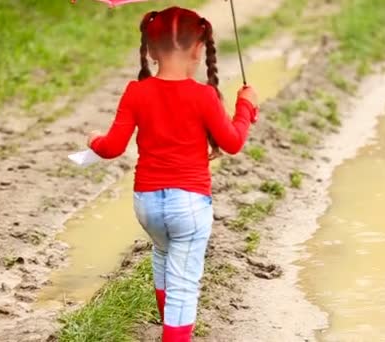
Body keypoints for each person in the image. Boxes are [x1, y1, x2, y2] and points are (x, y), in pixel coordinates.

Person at [87, 6, 258, 342]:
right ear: (199, 49)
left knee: (163, 252)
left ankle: (169, 326)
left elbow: (112, 147)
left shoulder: (137, 92)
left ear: (150, 50)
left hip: (147, 206)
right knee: (184, 284)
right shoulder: (204, 96)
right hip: (190, 207)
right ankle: (175, 335)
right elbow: (233, 142)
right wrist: (246, 107)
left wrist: (92, 140)